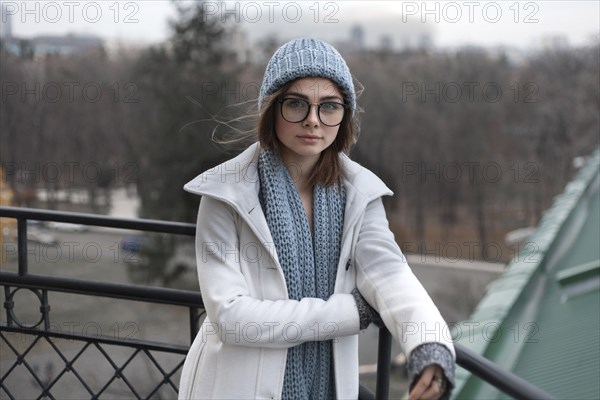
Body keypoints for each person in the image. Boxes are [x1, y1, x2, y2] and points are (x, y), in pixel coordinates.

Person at [179, 37, 455, 400]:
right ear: (272, 108)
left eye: (329, 106)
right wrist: (348, 312)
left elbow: (391, 276)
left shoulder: (359, 194)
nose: (313, 120)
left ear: (344, 116)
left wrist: (429, 347)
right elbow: (232, 319)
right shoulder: (226, 195)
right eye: (296, 104)